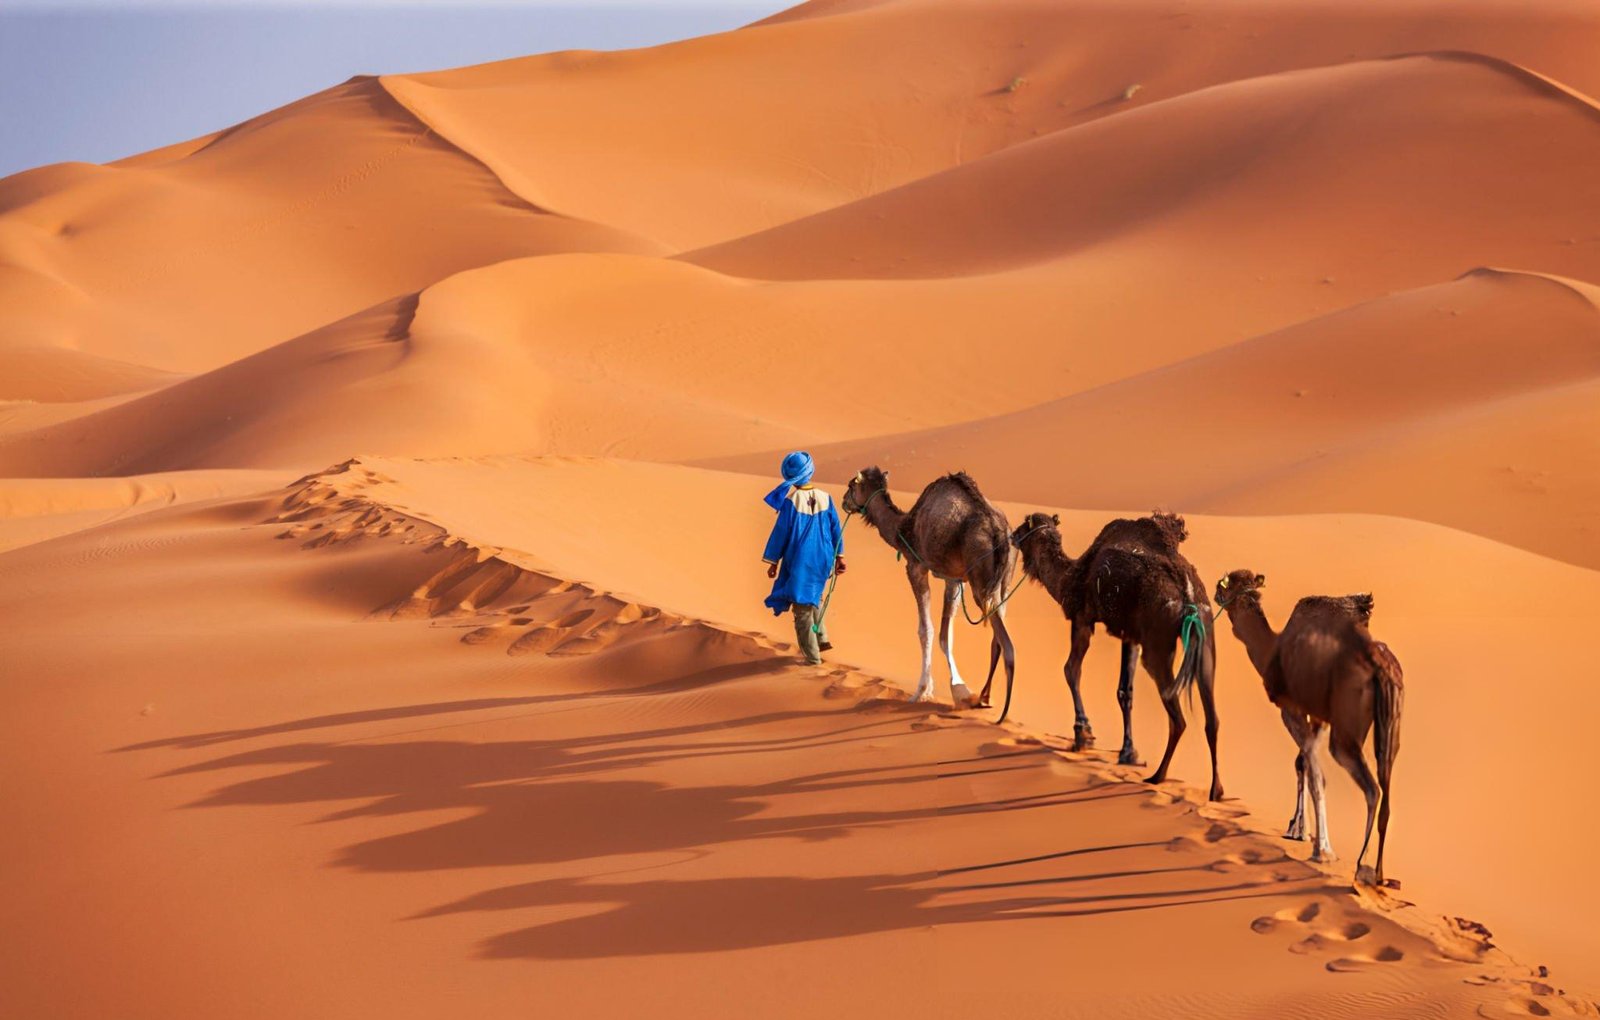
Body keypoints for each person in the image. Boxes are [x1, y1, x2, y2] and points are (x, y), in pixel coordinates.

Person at [761, 451, 845, 665]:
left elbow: (781, 533)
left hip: (801, 560)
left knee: (801, 608)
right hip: (823, 558)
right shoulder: (826, 497)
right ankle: (822, 637)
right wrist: (839, 556)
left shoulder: (791, 502)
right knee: (814, 595)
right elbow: (836, 528)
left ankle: (813, 659)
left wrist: (773, 561)